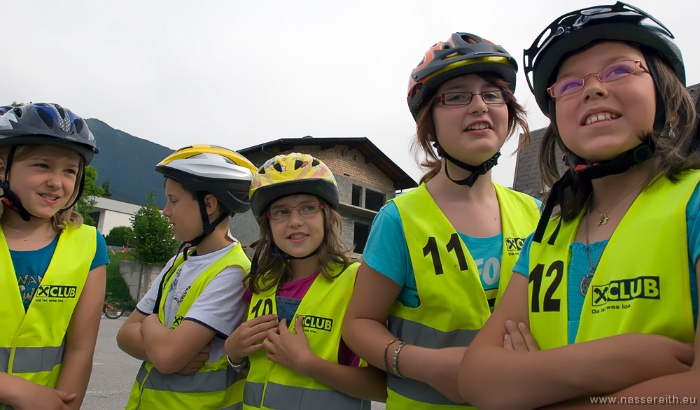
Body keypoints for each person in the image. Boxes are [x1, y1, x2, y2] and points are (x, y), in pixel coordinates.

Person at [459, 2, 699, 409]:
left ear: (668, 99)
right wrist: (618, 362)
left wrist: (532, 386)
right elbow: (477, 378)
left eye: (619, 69)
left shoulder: (691, 204)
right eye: (568, 85)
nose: (592, 88)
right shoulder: (549, 234)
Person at [342, 33, 541, 409]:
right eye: (457, 96)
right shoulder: (399, 219)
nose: (479, 106)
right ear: (428, 124)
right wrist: (427, 364)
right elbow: (358, 324)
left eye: (492, 93)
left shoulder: (538, 214)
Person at [224, 153, 386, 409]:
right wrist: (233, 353)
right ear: (268, 224)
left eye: (308, 207)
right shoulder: (259, 285)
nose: (295, 221)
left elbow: (382, 387)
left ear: (327, 216)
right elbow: (256, 371)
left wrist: (309, 364)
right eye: (281, 212)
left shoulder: (358, 283)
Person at [117, 145, 256, 409]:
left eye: (174, 200)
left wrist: (148, 325)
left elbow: (167, 356)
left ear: (208, 204)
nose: (165, 210)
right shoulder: (179, 261)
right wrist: (162, 350)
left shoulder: (232, 272)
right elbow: (124, 335)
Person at [0, 103, 108, 410]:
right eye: (42, 165)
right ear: (2, 169)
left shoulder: (88, 244)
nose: (56, 182)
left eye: (69, 171)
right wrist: (12, 389)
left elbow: (79, 350)